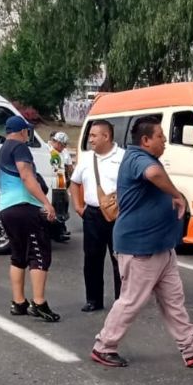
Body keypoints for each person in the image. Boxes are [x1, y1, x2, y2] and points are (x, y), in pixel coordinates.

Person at [91, 115, 193, 368]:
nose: (164, 142)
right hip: (140, 248)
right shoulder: (138, 158)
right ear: (145, 140)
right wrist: (176, 195)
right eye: (161, 137)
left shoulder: (147, 158)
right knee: (131, 300)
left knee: (174, 300)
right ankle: (104, 346)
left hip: (161, 247)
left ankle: (191, 347)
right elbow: (152, 173)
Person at [0, 115, 61, 322]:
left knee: (18, 255)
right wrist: (46, 202)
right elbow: (26, 176)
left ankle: (18, 302)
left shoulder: (2, 151)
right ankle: (39, 303)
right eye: (27, 131)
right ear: (22, 131)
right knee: (39, 253)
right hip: (25, 207)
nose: (28, 134)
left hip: (6, 207)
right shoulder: (19, 147)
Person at [70, 120, 124, 312]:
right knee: (92, 258)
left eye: (94, 135)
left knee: (120, 260)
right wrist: (78, 206)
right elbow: (74, 183)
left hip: (118, 215)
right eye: (90, 135)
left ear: (106, 136)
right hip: (92, 214)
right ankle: (93, 299)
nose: (90, 139)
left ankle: (122, 301)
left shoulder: (123, 157)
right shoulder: (86, 159)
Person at [48, 131, 74, 243]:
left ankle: (58, 232)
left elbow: (68, 167)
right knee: (54, 210)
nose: (63, 148)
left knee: (61, 210)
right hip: (52, 186)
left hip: (61, 185)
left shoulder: (62, 152)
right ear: (57, 142)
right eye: (62, 145)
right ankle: (56, 233)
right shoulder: (47, 150)